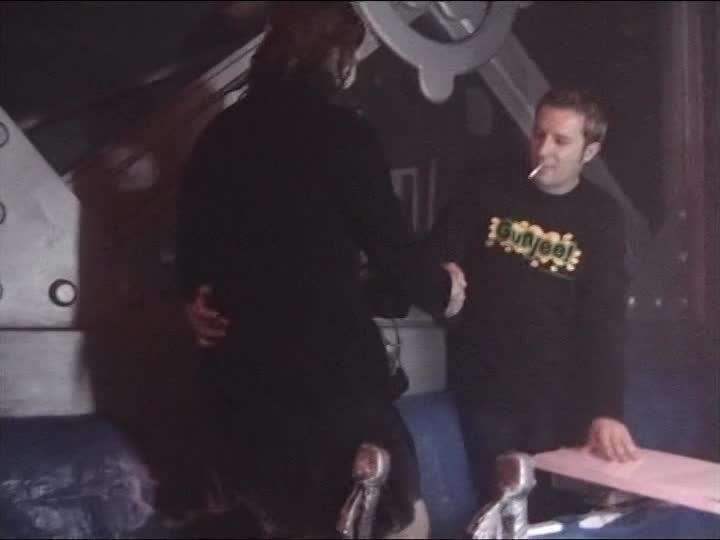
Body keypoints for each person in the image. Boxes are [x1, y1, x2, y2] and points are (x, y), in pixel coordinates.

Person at [175, 2, 466, 538]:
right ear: (335, 58)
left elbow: (189, 247)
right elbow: (393, 250)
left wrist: (191, 301)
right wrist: (444, 287)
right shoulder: (344, 135)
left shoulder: (221, 132)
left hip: (240, 386)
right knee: (399, 520)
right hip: (325, 382)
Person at [430, 87, 639, 520]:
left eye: (561, 141)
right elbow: (435, 256)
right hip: (487, 388)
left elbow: (606, 320)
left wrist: (607, 409)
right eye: (539, 134)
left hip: (562, 399)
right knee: (496, 512)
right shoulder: (488, 189)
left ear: (589, 151)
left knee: (555, 516)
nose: (544, 150)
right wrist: (442, 271)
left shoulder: (601, 215)